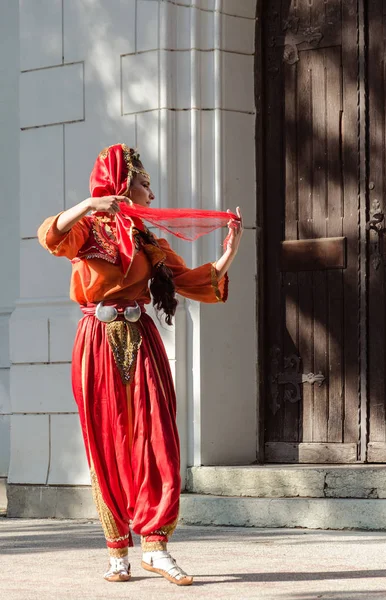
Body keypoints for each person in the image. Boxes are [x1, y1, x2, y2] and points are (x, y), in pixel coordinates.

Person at [38, 143, 243, 586]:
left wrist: (231, 249)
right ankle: (117, 551)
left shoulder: (149, 238)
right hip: (97, 341)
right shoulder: (88, 229)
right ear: (123, 185)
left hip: (141, 340)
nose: (151, 190)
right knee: (106, 441)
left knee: (158, 438)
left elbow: (191, 281)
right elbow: (50, 236)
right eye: (145, 182)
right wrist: (90, 203)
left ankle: (156, 544)